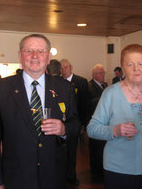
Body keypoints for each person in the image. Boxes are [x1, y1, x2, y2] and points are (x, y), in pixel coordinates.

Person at [0, 34, 80, 189]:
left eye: (41, 51)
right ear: (20, 55)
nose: (35, 56)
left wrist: (64, 129)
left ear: (49, 56)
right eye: (29, 50)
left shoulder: (65, 88)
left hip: (54, 175)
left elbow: (76, 124)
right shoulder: (0, 89)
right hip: (16, 177)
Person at [87, 44, 142, 189]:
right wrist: (114, 131)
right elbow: (92, 129)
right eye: (130, 64)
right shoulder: (110, 93)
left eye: (140, 64)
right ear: (122, 68)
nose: (136, 68)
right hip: (119, 171)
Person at [60, 58, 89, 186]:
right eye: (61, 68)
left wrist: (83, 124)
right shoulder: (58, 82)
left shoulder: (81, 82)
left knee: (72, 151)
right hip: (60, 123)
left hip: (74, 122)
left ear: (70, 67)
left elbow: (84, 104)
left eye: (65, 67)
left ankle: (71, 176)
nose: (63, 70)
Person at [87, 64, 108, 181]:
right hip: (95, 121)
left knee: (102, 148)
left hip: (105, 122)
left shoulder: (105, 85)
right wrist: (104, 99)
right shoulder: (89, 86)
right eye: (101, 73)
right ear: (94, 75)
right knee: (95, 148)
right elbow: (88, 103)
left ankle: (101, 169)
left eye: (104, 73)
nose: (104, 75)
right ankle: (96, 172)